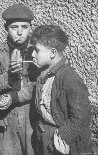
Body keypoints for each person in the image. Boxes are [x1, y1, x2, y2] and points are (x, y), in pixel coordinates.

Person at [30, 25, 93, 155]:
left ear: (53, 53)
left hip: (59, 142)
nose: (32, 54)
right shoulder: (42, 73)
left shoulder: (70, 79)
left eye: (36, 50)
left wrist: (64, 136)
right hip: (43, 137)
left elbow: (82, 115)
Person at [0, 3, 39, 155]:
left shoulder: (36, 50)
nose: (20, 32)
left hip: (31, 114)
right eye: (14, 27)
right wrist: (9, 76)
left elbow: (40, 83)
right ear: (6, 28)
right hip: (6, 114)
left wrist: (15, 97)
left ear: (31, 28)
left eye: (25, 27)